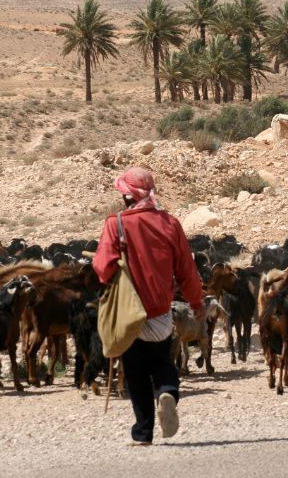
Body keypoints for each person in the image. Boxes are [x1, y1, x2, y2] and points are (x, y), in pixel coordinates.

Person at [93, 166, 203, 446]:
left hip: (128, 314)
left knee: (135, 371)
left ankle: (143, 433)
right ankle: (167, 392)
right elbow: (187, 271)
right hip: (161, 314)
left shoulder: (115, 224)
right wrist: (195, 301)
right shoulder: (169, 223)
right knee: (162, 363)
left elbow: (103, 270)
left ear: (128, 197)